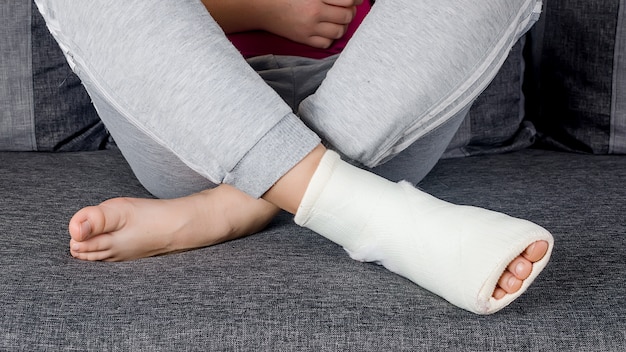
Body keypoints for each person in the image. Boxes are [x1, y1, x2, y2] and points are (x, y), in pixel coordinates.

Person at [34, 0, 553, 314]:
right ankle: (352, 202)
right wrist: (259, 9)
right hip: (197, 119)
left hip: (367, 108)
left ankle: (226, 209)